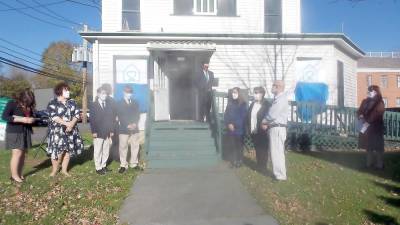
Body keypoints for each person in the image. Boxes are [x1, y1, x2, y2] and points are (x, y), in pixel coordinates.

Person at [46, 82, 84, 177]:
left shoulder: (72, 102)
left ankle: (64, 170)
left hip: (71, 130)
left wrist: (71, 125)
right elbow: (54, 117)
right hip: (57, 132)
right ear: (60, 91)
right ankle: (55, 170)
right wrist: (67, 124)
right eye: (66, 90)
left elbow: (76, 114)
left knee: (67, 150)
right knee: (57, 151)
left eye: (68, 90)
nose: (68, 92)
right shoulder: (52, 103)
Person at [2, 89, 36, 183]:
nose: (27, 104)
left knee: (23, 154)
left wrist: (32, 119)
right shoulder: (12, 103)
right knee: (17, 153)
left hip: (26, 131)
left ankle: (19, 173)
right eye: (26, 102)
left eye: (29, 102)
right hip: (14, 132)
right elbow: (4, 117)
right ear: (22, 98)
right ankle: (14, 176)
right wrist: (21, 119)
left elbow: (31, 116)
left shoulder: (29, 106)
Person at [262, 80, 289, 181]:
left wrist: (263, 122)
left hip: (277, 128)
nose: (272, 87)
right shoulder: (279, 98)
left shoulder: (281, 99)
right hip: (276, 128)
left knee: (276, 152)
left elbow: (272, 115)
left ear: (278, 87)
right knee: (277, 152)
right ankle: (279, 174)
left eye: (273, 85)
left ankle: (280, 175)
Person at [357, 85, 385, 169]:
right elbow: (359, 111)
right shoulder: (365, 101)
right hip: (366, 128)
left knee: (378, 147)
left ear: (376, 92)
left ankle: (379, 165)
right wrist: (360, 115)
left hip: (376, 128)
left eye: (371, 91)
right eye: (368, 90)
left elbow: (377, 114)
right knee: (368, 147)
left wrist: (367, 121)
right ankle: (368, 164)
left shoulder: (380, 102)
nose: (368, 92)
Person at [90, 87, 116, 175]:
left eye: (105, 93)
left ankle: (103, 165)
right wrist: (94, 131)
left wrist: (111, 130)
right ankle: (98, 168)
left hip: (107, 132)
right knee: (98, 150)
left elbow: (111, 118)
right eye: (102, 93)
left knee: (106, 150)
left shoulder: (108, 105)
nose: (104, 95)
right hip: (98, 131)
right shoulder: (93, 105)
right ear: (98, 94)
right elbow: (92, 119)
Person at [247, 86, 271, 172]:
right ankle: (259, 165)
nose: (255, 94)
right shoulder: (253, 104)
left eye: (257, 93)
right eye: (254, 92)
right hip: (254, 130)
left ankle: (263, 166)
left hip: (263, 130)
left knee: (263, 148)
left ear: (262, 94)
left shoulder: (267, 104)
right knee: (257, 148)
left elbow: (270, 116)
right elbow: (249, 115)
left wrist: (266, 125)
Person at [117, 85, 140, 173]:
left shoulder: (135, 102)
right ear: (123, 92)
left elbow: (137, 114)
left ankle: (134, 163)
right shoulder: (119, 103)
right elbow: (120, 115)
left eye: (130, 92)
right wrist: (127, 124)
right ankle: (123, 165)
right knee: (123, 146)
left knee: (135, 145)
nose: (129, 94)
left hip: (134, 128)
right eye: (127, 92)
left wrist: (134, 123)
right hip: (124, 128)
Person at [224, 87, 247, 168]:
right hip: (230, 129)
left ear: (239, 93)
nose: (233, 94)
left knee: (239, 146)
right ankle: (233, 160)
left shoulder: (243, 104)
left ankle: (239, 161)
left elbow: (242, 116)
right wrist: (229, 123)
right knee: (232, 145)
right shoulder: (230, 103)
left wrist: (234, 124)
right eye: (233, 92)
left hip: (239, 130)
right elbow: (226, 115)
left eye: (235, 92)